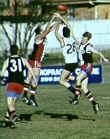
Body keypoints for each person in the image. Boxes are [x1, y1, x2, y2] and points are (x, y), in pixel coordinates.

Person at [70, 32, 109, 114]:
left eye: (85, 39)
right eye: (82, 38)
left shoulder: (88, 47)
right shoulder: (80, 44)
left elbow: (98, 52)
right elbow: (73, 36)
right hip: (83, 67)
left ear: (88, 40)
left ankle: (76, 98)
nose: (83, 40)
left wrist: (104, 59)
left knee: (78, 78)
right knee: (84, 89)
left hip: (88, 66)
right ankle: (95, 104)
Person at [23, 15, 57, 107]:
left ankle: (26, 96)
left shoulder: (42, 36)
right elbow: (47, 31)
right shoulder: (38, 37)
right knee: (34, 79)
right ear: (39, 31)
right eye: (41, 29)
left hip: (36, 60)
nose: (43, 29)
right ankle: (30, 97)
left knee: (30, 78)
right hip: (35, 60)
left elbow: (47, 30)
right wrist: (52, 20)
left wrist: (55, 21)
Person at [0, 44, 37, 128]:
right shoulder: (22, 59)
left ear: (10, 51)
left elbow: (2, 74)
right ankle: (7, 121)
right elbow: (30, 69)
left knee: (10, 104)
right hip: (21, 85)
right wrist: (34, 79)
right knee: (12, 104)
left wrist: (2, 78)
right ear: (17, 51)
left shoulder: (7, 60)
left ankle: (15, 117)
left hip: (12, 83)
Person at [55, 13, 79, 97]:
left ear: (63, 33)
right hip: (76, 62)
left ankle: (75, 92)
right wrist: (61, 18)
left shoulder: (62, 41)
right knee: (68, 77)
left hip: (69, 63)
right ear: (69, 32)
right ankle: (78, 79)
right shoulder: (72, 38)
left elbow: (56, 32)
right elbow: (69, 25)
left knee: (61, 81)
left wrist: (57, 23)